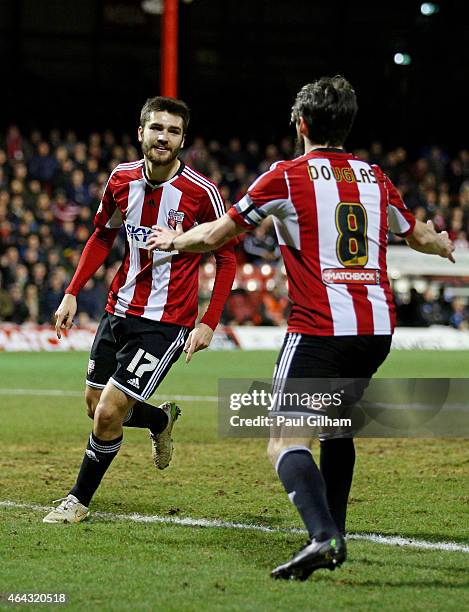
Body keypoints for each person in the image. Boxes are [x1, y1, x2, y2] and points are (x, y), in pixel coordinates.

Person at [147, 76, 455, 580]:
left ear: (302, 124)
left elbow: (219, 235)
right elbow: (417, 233)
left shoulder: (286, 176)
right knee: (336, 428)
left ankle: (322, 535)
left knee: (284, 440)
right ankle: (336, 528)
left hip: (319, 328)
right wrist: (441, 244)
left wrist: (174, 240)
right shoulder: (374, 177)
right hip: (375, 330)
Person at [43, 96, 237, 524]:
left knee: (110, 412)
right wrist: (73, 291)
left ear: (182, 139)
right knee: (95, 407)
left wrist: (209, 321)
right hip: (119, 309)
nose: (163, 137)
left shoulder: (202, 193)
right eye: (156, 128)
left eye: (172, 131)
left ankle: (77, 500)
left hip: (167, 321)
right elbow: (101, 236)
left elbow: (227, 258)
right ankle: (160, 421)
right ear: (141, 133)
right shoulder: (120, 179)